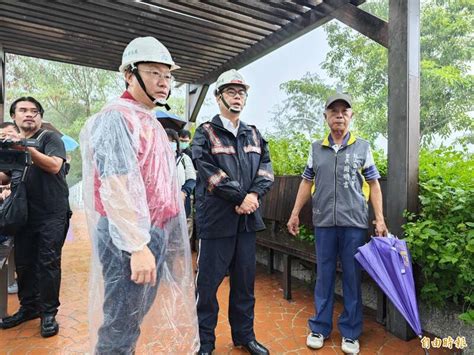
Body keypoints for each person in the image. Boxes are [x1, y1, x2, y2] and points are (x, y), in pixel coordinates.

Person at [79, 36, 198, 354]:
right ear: (129, 74)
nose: (163, 82)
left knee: (133, 314)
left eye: (168, 75)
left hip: (150, 233)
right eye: (154, 73)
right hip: (128, 237)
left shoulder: (149, 121)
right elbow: (116, 187)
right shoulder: (115, 118)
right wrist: (137, 246)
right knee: (121, 319)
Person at [287, 93, 388, 354]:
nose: (339, 116)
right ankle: (319, 327)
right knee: (324, 276)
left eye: (344, 111)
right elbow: (306, 182)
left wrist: (379, 218)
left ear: (351, 116)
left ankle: (351, 333)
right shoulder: (315, 148)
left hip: (354, 223)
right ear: (326, 117)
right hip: (324, 223)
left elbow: (374, 184)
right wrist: (295, 213)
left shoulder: (362, 147)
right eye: (334, 112)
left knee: (353, 277)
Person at [192, 69, 274, 355]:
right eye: (230, 92)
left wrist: (252, 196)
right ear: (218, 97)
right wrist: (240, 196)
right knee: (207, 286)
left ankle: (244, 336)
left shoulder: (254, 133)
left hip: (247, 221)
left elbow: (266, 170)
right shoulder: (205, 132)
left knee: (244, 284)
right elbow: (208, 172)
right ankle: (204, 343)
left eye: (241, 93)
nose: (237, 96)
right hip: (216, 222)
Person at [0, 97, 70, 338]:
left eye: (33, 111)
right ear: (14, 116)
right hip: (23, 213)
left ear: (40, 116)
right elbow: (6, 177)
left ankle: (48, 313)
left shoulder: (50, 138)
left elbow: (53, 166)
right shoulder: (10, 144)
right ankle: (28, 308)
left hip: (52, 212)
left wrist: (25, 147)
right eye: (23, 110)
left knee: (48, 263)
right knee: (25, 263)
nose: (29, 114)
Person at [0, 122, 20, 294]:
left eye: (10, 135)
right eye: (2, 136)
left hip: (17, 212)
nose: (6, 139)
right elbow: (4, 178)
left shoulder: (25, 153)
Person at [165, 128, 196, 218]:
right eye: (168, 141)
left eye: (173, 141)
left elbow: (191, 179)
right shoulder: (156, 159)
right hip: (162, 205)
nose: (170, 143)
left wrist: (184, 192)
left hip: (180, 203)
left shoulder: (184, 158)